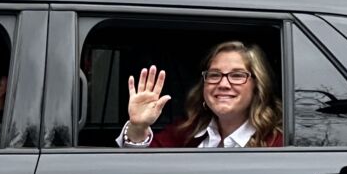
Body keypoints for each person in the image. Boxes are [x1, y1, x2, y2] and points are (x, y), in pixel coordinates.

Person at [118, 41, 283, 149]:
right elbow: (141, 171)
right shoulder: (187, 130)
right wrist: (138, 128)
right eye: (214, 75)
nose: (223, 84)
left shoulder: (277, 143)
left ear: (257, 86)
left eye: (237, 75)